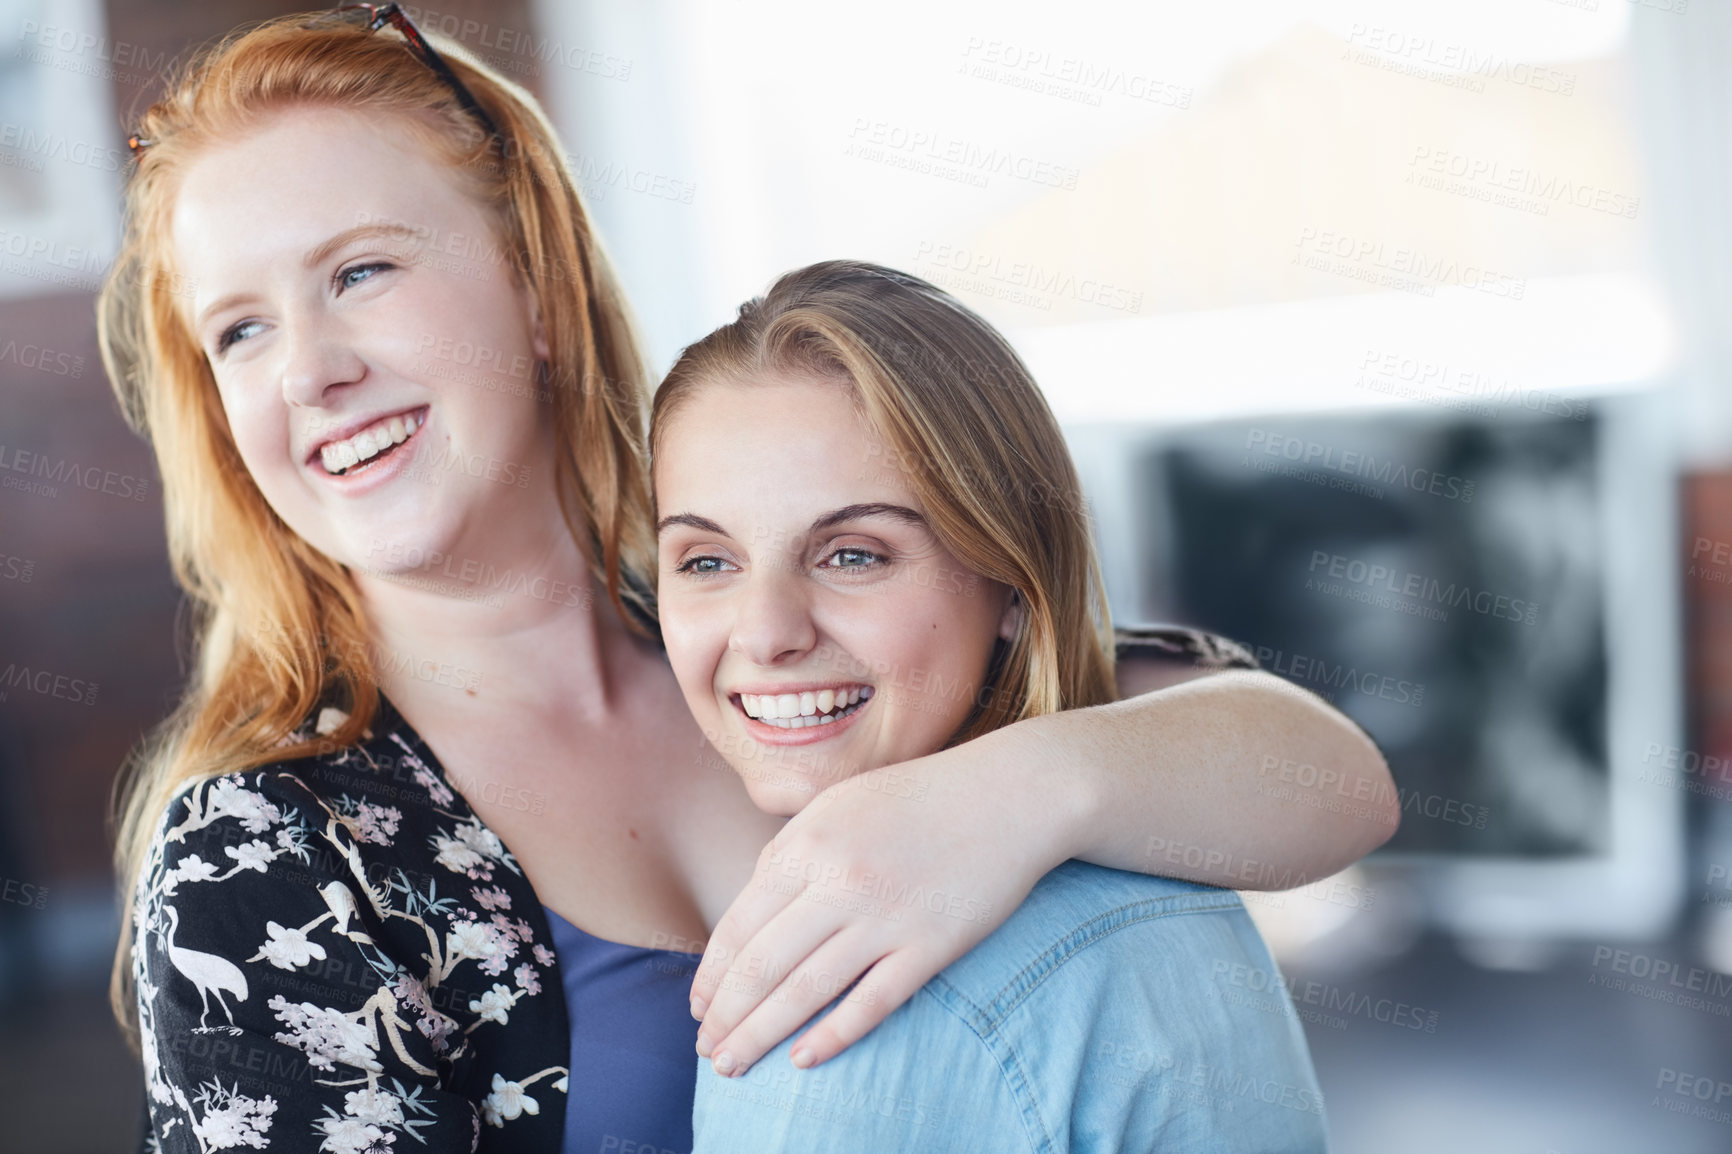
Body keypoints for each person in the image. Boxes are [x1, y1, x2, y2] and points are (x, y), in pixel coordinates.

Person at [100, 10, 1392, 1151]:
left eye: (361, 271)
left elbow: (1326, 779)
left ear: (538, 289)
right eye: (242, 330)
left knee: (1157, 916)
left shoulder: (756, 636)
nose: (307, 370)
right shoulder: (268, 854)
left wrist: (1017, 791)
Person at [655, 260, 1329, 1151]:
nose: (766, 631)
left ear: (1011, 583)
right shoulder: (1172, 884)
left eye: (853, 554)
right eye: (706, 561)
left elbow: (1338, 777)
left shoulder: (834, 1000)